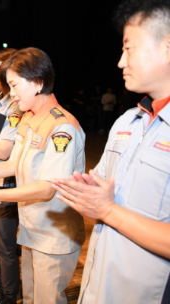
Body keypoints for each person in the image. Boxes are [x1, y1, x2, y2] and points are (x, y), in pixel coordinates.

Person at [52, 1, 170, 303]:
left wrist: (106, 210)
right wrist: (84, 191)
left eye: (128, 49)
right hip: (100, 284)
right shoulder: (127, 121)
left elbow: (109, 209)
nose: (120, 62)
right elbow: (103, 186)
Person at [0, 48, 86, 304]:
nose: (10, 93)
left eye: (14, 85)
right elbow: (13, 164)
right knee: (31, 297)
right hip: (32, 228)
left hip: (53, 235)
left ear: (37, 83)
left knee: (46, 299)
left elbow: (47, 188)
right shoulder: (29, 119)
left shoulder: (61, 126)